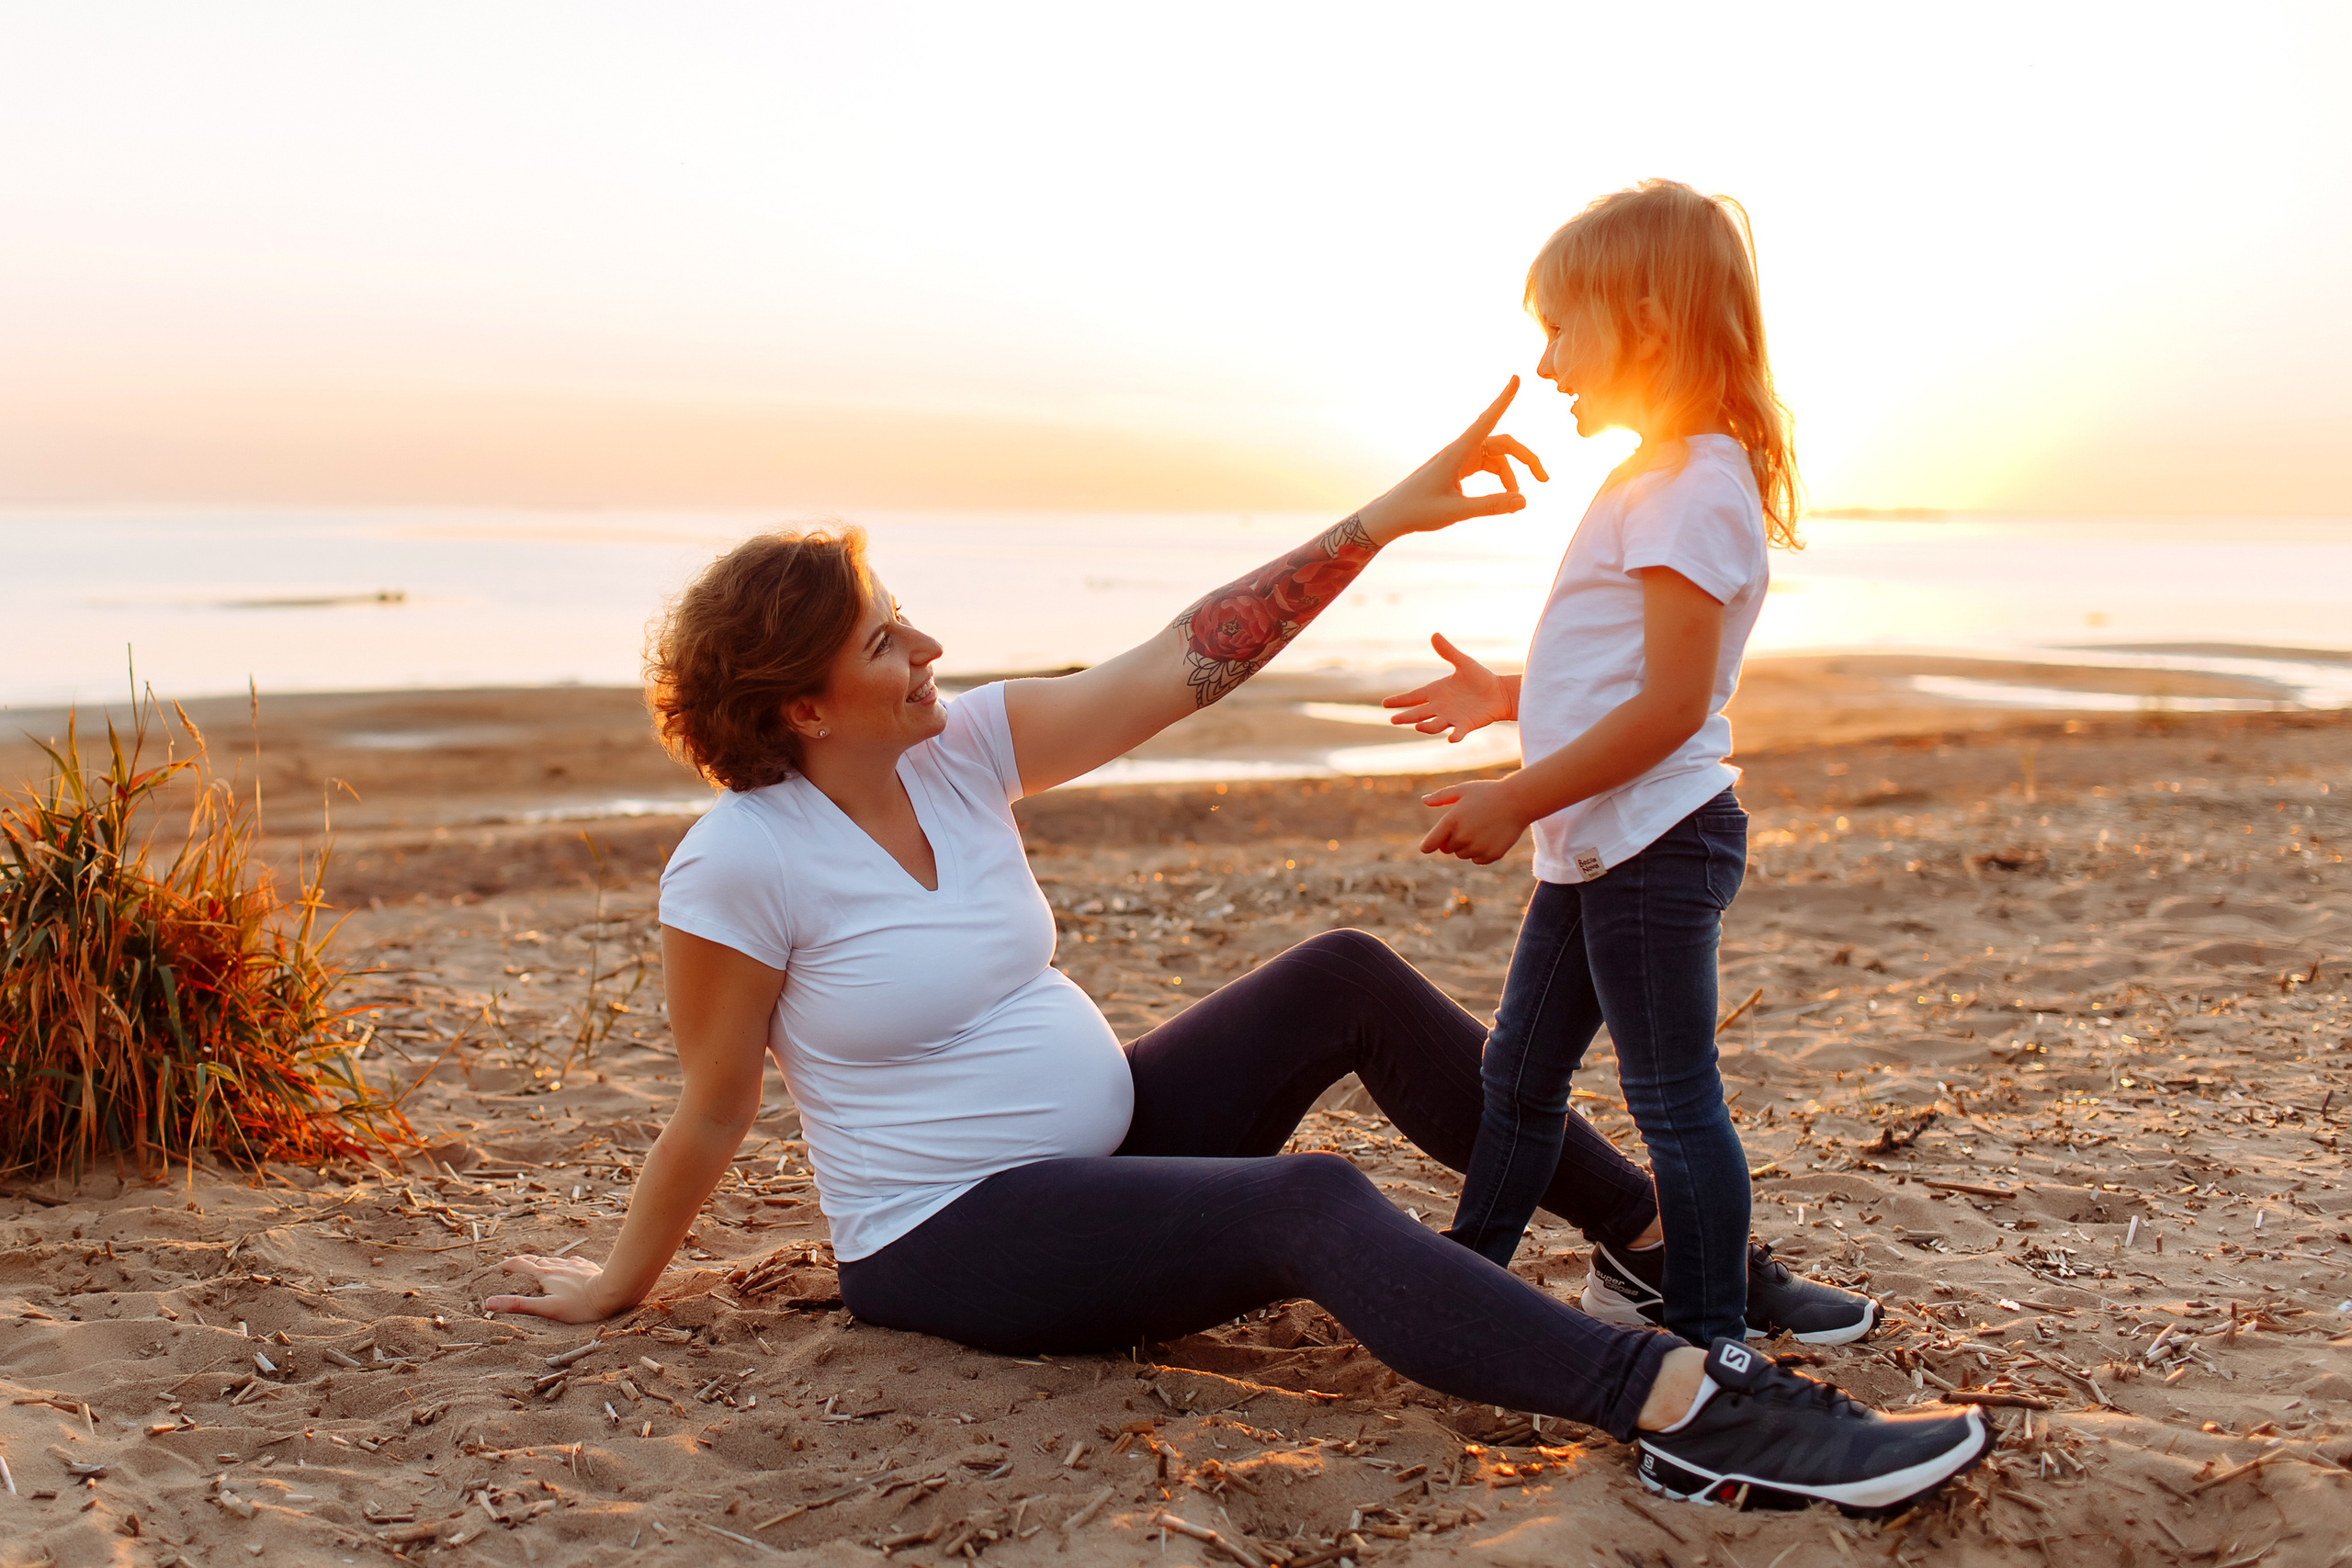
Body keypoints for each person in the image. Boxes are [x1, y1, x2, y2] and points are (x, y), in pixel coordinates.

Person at [485, 384, 1986, 1508]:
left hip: (1112, 1145)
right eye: (888, 639)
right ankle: (1690, 1411)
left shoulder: (961, 749)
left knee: (1341, 971)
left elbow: (1186, 659)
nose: (929, 649)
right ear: (801, 705)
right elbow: (712, 1106)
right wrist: (623, 1278)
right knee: (1309, 1202)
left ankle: (1656, 1250)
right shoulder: (738, 861)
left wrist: (1382, 518)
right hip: (955, 1240)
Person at [1386, 182, 1867, 1350]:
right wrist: (1509, 698)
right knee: (1516, 1078)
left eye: (1562, 328)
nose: (1548, 363)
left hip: (1652, 840)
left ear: (1645, 318)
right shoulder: (1656, 473)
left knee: (1669, 1100)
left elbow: (1668, 707)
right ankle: (1474, 1279)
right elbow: (1614, 677)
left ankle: (1708, 1337)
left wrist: (1516, 794)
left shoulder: (1695, 485)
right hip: (1601, 838)